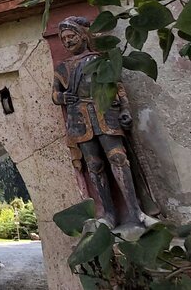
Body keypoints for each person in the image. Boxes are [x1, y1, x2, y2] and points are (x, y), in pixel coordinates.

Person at [51, 16, 146, 230]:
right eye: (63, 38)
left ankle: (135, 211)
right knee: (94, 164)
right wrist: (64, 98)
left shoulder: (100, 59)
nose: (67, 42)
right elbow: (55, 94)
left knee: (118, 157)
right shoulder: (62, 67)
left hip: (105, 111)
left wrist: (125, 109)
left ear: (82, 36)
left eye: (71, 36)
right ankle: (108, 213)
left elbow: (117, 86)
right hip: (79, 118)